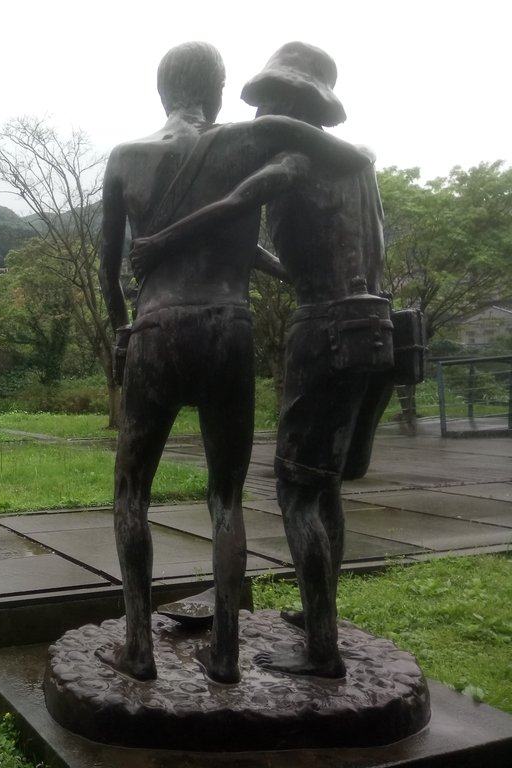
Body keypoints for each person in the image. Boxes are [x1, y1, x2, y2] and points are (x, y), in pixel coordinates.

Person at [98, 41, 372, 683]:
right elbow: (353, 154)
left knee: (131, 489)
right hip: (228, 325)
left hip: (155, 327)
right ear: (219, 92)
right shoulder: (250, 142)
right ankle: (225, 654)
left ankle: (138, 645)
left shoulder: (124, 158)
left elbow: (111, 272)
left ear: (162, 91)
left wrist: (121, 332)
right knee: (226, 497)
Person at [241, 41, 393, 678]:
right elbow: (362, 255)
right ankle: (319, 610)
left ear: (295, 102)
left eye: (272, 98)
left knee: (296, 488)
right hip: (372, 326)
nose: (261, 110)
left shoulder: (294, 159)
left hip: (322, 328)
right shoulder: (357, 169)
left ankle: (321, 647)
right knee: (325, 481)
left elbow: (232, 215)